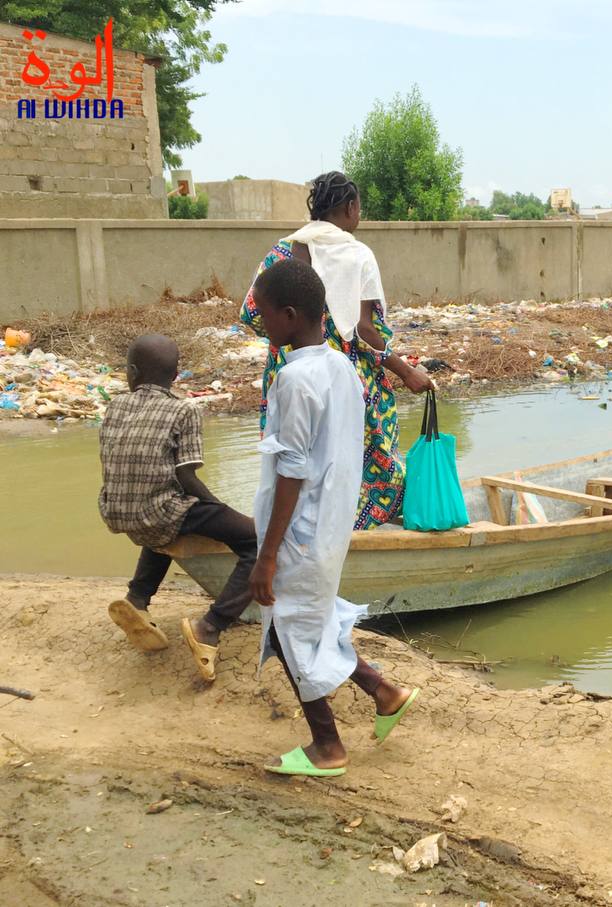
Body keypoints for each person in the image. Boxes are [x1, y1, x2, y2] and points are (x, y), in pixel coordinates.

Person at [248, 258, 419, 778]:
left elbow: (293, 470)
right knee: (310, 620)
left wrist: (268, 555)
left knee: (287, 629)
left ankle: (328, 745)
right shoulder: (342, 367)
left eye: (264, 314)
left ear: (291, 314)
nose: (260, 323)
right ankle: (384, 692)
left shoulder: (295, 379)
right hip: (329, 523)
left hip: (300, 530)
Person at [239, 171, 434, 529]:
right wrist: (406, 372)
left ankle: (286, 531)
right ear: (350, 207)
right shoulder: (357, 254)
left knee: (292, 456)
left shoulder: (282, 250)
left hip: (289, 372)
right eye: (358, 207)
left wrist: (289, 342)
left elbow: (251, 314)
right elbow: (363, 329)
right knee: (372, 458)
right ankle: (356, 530)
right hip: (345, 378)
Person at [98, 334, 257, 682]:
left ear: (133, 372)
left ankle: (137, 599)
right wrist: (220, 508)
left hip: (116, 510)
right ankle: (211, 626)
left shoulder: (115, 405)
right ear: (176, 374)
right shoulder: (183, 409)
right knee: (256, 540)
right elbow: (185, 476)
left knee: (163, 518)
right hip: (158, 509)